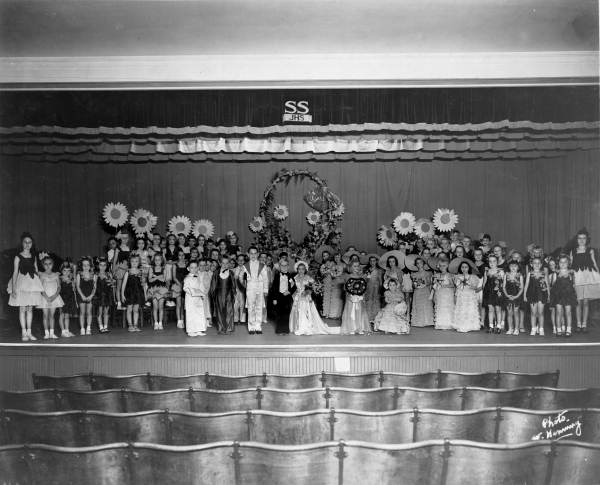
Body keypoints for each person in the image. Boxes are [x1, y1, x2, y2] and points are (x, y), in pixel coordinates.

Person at [8, 232, 44, 341]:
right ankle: (24, 333)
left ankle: (29, 332)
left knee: (30, 308)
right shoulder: (18, 257)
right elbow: (15, 272)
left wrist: (40, 284)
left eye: (30, 242)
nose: (27, 244)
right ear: (22, 243)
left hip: (32, 283)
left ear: (32, 244)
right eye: (25, 242)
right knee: (22, 308)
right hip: (21, 283)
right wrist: (13, 288)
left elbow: (36, 270)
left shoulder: (34, 256)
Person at [289, 261, 336, 335]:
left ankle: (307, 326)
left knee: (306, 311)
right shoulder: (294, 278)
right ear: (297, 269)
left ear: (305, 270)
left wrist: (308, 291)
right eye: (299, 269)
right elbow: (292, 289)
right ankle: (298, 326)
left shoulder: (308, 278)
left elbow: (314, 286)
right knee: (298, 311)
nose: (301, 271)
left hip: (306, 297)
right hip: (298, 297)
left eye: (303, 269)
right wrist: (294, 293)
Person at [570, 230, 600, 332]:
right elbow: (571, 266)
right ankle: (578, 324)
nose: (582, 240)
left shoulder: (590, 250)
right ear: (577, 240)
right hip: (577, 278)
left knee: (586, 302)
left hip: (588, 278)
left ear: (587, 240)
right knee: (578, 302)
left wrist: (599, 275)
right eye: (580, 238)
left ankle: (584, 324)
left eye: (584, 238)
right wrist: (571, 279)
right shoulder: (573, 251)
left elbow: (594, 264)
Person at [242, 246, 270, 335]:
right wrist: (244, 284)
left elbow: (265, 278)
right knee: (251, 307)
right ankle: (251, 326)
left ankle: (258, 326)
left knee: (259, 307)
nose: (253, 255)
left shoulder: (262, 266)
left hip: (260, 287)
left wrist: (265, 290)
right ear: (248, 254)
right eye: (251, 253)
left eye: (255, 253)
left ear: (258, 254)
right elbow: (241, 277)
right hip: (250, 288)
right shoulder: (245, 266)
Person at [37, 255, 64, 339]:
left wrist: (54, 296)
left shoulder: (56, 275)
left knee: (52, 316)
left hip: (54, 297)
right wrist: (46, 297)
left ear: (52, 264)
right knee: (45, 315)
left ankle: (52, 333)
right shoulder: (42, 275)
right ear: (43, 265)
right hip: (45, 297)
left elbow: (59, 287)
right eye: (46, 264)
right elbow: (40, 287)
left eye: (50, 264)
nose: (48, 266)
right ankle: (46, 333)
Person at [341, 261, 370, 335]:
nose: (356, 268)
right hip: (350, 298)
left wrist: (361, 296)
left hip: (359, 298)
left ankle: (359, 327)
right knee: (351, 312)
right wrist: (351, 295)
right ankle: (351, 328)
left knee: (359, 312)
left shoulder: (362, 277)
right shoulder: (348, 276)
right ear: (351, 267)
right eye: (354, 266)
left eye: (358, 266)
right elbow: (345, 288)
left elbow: (363, 288)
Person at [209, 254, 236, 334]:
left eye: (227, 263)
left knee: (229, 311)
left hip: (229, 294)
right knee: (219, 310)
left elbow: (233, 284)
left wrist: (233, 293)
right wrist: (213, 295)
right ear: (220, 263)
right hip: (219, 295)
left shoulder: (231, 273)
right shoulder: (216, 273)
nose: (225, 265)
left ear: (229, 264)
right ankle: (221, 328)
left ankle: (228, 328)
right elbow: (213, 284)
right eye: (223, 263)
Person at [452, 260, 481, 332]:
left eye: (466, 267)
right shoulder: (458, 277)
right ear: (460, 268)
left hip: (469, 296)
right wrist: (455, 296)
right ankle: (461, 325)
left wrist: (469, 284)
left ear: (469, 268)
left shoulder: (473, 277)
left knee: (469, 310)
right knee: (462, 310)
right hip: (461, 295)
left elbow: (475, 288)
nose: (464, 269)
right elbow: (457, 288)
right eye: (462, 267)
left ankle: (470, 325)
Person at [552, 255, 578, 337]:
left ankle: (568, 330)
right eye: (561, 262)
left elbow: (574, 284)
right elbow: (553, 285)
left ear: (568, 263)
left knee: (568, 312)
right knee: (558, 312)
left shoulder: (571, 272)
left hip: (568, 295)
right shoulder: (556, 273)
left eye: (565, 262)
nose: (563, 264)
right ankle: (559, 329)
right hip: (558, 295)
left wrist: (575, 294)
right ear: (558, 263)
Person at [524, 257, 549, 336]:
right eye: (535, 263)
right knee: (533, 312)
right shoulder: (530, 274)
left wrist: (548, 295)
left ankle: (541, 328)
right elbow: (526, 284)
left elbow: (547, 284)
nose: (537, 264)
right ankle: (533, 328)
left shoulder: (543, 273)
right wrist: (524, 295)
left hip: (542, 294)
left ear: (541, 265)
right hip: (532, 294)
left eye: (538, 263)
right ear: (531, 264)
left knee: (541, 312)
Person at [269, 259, 295, 334]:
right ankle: (279, 330)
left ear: (288, 266)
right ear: (279, 267)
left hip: (287, 297)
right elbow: (274, 288)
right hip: (279, 297)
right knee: (279, 314)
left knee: (286, 313)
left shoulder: (290, 276)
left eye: (285, 265)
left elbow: (294, 286)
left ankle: (285, 330)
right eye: (282, 265)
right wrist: (274, 298)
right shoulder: (277, 276)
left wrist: (289, 291)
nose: (284, 267)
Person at [183, 260, 208, 337]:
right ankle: (191, 330)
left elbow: (200, 287)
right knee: (191, 314)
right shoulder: (187, 278)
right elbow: (185, 288)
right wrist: (193, 292)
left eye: (195, 267)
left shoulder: (197, 277)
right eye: (192, 267)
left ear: (197, 268)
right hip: (190, 298)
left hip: (198, 298)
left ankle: (198, 329)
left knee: (199, 313)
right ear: (188, 269)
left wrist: (201, 294)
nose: (194, 269)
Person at [121, 254, 145, 332]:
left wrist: (144, 293)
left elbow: (143, 284)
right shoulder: (127, 272)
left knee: (136, 310)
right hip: (129, 293)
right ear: (130, 262)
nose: (134, 263)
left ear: (139, 262)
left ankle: (135, 325)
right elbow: (123, 284)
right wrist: (122, 294)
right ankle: (130, 325)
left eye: (136, 261)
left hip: (138, 293)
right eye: (132, 261)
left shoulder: (140, 272)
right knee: (129, 309)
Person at [482, 255, 505, 333]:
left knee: (498, 309)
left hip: (497, 292)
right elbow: (484, 283)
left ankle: (498, 326)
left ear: (497, 262)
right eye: (490, 261)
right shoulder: (487, 271)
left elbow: (503, 283)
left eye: (494, 261)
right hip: (489, 292)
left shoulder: (500, 271)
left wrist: (502, 293)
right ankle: (491, 326)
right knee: (490, 309)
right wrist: (484, 292)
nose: (492, 263)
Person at [409, 256, 434, 328]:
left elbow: (429, 282)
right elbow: (413, 284)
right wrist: (415, 284)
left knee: (426, 304)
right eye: (417, 263)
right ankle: (418, 321)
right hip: (418, 291)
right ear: (416, 265)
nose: (419, 264)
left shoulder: (428, 273)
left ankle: (427, 321)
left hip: (425, 290)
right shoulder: (414, 274)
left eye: (420, 262)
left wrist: (424, 282)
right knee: (418, 305)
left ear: (423, 263)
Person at [431, 257, 454, 330]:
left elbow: (452, 285)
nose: (442, 267)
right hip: (439, 293)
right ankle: (440, 323)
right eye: (440, 266)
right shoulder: (437, 275)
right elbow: (434, 285)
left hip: (447, 294)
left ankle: (448, 324)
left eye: (444, 266)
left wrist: (444, 286)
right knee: (440, 307)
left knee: (447, 308)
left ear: (447, 266)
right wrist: (435, 283)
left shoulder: (449, 275)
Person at [147, 253, 169, 330]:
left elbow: (164, 280)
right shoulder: (151, 269)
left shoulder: (164, 269)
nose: (157, 261)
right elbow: (150, 280)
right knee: (155, 307)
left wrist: (155, 276)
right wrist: (159, 277)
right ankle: (156, 323)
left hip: (162, 290)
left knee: (161, 307)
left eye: (159, 260)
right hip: (153, 290)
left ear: (161, 261)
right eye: (156, 260)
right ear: (154, 261)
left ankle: (160, 323)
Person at [76, 256, 97, 335]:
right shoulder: (79, 274)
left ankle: (88, 328)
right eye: (84, 265)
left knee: (89, 312)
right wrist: (82, 296)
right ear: (81, 266)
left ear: (90, 266)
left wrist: (91, 296)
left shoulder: (93, 275)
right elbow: (78, 286)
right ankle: (82, 328)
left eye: (87, 265)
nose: (86, 267)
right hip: (82, 295)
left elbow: (94, 287)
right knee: (82, 312)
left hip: (90, 295)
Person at [321, 253, 346, 319]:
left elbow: (341, 274)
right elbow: (332, 274)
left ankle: (339, 314)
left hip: (340, 282)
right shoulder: (333, 265)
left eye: (338, 257)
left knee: (339, 298)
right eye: (335, 257)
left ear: (340, 257)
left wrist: (332, 273)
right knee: (334, 297)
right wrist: (330, 273)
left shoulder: (344, 265)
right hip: (334, 282)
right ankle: (333, 314)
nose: (336, 258)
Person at [503, 261, 524, 335]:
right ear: (509, 267)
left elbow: (522, 288)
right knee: (509, 313)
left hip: (516, 296)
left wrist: (517, 296)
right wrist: (507, 295)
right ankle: (510, 328)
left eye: (515, 266)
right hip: (508, 296)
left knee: (516, 312)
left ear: (518, 267)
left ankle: (516, 329)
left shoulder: (520, 276)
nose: (513, 267)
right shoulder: (506, 275)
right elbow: (504, 287)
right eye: (511, 266)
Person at [94, 257, 114, 333]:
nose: (102, 267)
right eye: (101, 265)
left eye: (104, 265)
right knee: (99, 312)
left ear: (106, 266)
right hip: (99, 295)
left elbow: (112, 285)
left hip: (107, 295)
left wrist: (111, 282)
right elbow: (94, 286)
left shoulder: (109, 274)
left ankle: (105, 327)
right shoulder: (96, 275)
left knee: (106, 311)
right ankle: (101, 327)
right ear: (98, 266)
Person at [112, 232, 131, 310]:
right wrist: (113, 271)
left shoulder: (129, 248)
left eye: (126, 238)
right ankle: (119, 304)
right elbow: (114, 260)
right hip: (120, 270)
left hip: (127, 270)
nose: (125, 240)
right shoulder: (118, 248)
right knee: (119, 287)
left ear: (128, 239)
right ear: (120, 239)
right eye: (123, 238)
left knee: (125, 287)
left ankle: (125, 303)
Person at [58, 262, 77, 337]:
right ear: (61, 271)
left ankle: (67, 330)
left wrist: (74, 269)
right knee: (62, 315)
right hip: (62, 299)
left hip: (69, 299)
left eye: (68, 271)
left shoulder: (71, 279)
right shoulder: (59, 278)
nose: (66, 272)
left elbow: (74, 287)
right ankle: (63, 332)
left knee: (67, 315)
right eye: (65, 270)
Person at [171, 250, 189, 329]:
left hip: (186, 285)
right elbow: (174, 277)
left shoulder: (186, 264)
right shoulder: (175, 265)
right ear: (177, 256)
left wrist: (185, 284)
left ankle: (183, 319)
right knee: (178, 304)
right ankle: (179, 321)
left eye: (183, 255)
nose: (181, 257)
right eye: (180, 255)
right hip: (178, 285)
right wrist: (180, 285)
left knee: (184, 304)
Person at [363, 255, 383, 324]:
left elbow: (380, 280)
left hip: (376, 287)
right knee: (368, 300)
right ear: (369, 262)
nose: (372, 262)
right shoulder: (367, 270)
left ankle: (375, 317)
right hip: (368, 286)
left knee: (375, 300)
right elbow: (364, 279)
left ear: (376, 261)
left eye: (374, 261)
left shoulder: (379, 270)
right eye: (371, 261)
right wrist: (366, 279)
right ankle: (368, 317)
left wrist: (380, 289)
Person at [233, 254, 247, 326]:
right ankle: (235, 319)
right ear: (236, 261)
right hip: (236, 289)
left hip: (243, 289)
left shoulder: (246, 270)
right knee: (235, 305)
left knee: (243, 304)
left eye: (242, 260)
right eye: (239, 260)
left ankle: (242, 319)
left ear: (244, 261)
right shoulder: (234, 270)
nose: (240, 261)